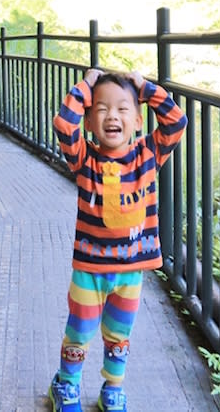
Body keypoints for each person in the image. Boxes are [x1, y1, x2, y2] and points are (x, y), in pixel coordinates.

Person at [48, 68, 187, 412]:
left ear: (138, 120)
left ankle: (113, 388)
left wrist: (144, 86)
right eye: (102, 109)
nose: (112, 116)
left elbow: (175, 121)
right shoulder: (85, 160)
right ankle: (66, 384)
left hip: (130, 273)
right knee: (80, 331)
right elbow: (64, 124)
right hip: (89, 269)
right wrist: (87, 85)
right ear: (91, 123)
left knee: (118, 335)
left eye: (123, 109)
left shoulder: (147, 156)